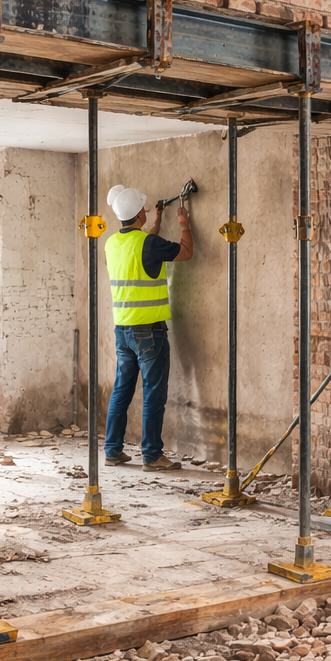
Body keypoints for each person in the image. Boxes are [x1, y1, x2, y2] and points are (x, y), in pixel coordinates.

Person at [103, 185, 193, 472]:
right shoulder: (148, 244)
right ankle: (152, 456)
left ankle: (112, 450)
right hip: (149, 332)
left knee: (122, 390)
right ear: (138, 214)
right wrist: (184, 225)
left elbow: (141, 247)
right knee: (154, 393)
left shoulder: (112, 243)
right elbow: (186, 253)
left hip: (123, 330)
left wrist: (156, 222)